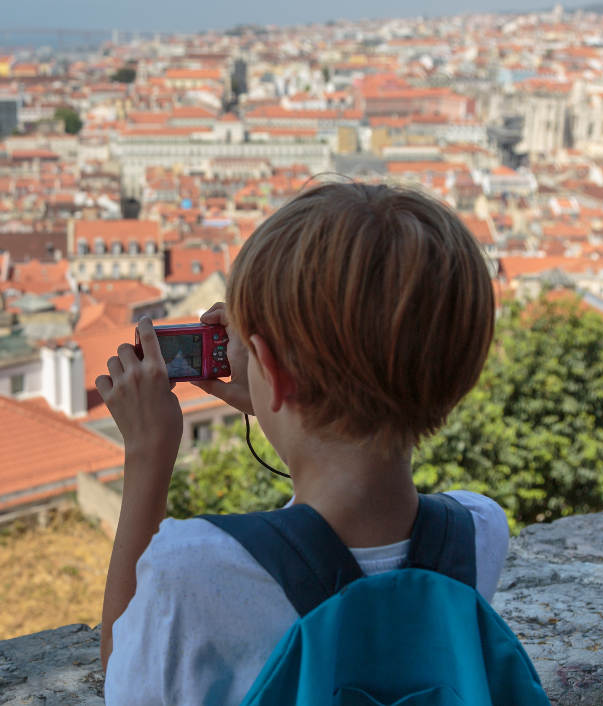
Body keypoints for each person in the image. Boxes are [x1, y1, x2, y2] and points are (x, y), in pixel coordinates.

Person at [94, 182, 510, 704]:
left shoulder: (194, 568)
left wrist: (148, 455)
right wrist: (282, 397)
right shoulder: (477, 531)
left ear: (268, 366)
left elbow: (124, 680)